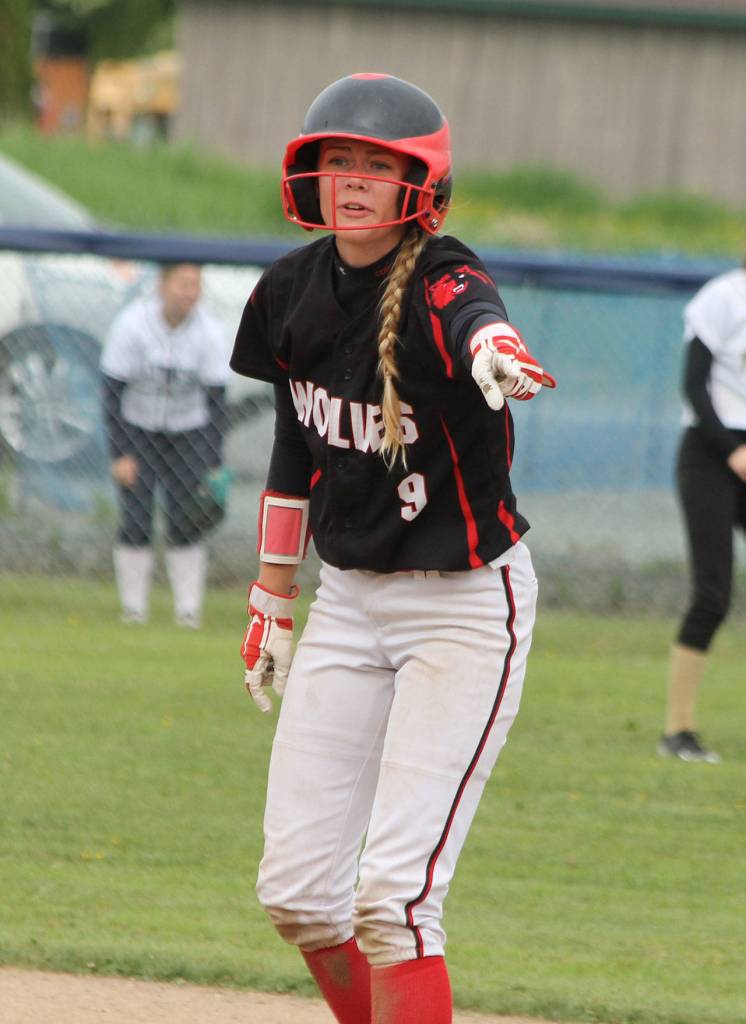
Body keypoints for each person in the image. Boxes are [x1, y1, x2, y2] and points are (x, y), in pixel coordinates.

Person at [230, 74, 556, 1024]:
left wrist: (493, 343)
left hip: (462, 608)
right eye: (341, 161)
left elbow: (472, 310)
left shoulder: (442, 275)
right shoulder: (290, 290)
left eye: (381, 164)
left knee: (397, 904)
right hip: (348, 601)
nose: (357, 180)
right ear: (311, 177)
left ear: (424, 186)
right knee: (297, 892)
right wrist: (272, 595)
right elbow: (294, 447)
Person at [100, 262, 230, 628]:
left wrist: (214, 461)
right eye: (183, 284)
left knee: (186, 521)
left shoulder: (209, 331)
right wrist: (119, 453)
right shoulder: (132, 324)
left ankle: (188, 611)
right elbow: (111, 392)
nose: (190, 293)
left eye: (196, 285)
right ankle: (133, 610)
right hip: (138, 430)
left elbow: (217, 401)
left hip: (188, 432)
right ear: (162, 285)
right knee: (137, 519)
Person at [659, 264, 746, 764]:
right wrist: (733, 452)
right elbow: (694, 386)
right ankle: (678, 731)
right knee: (713, 595)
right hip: (711, 454)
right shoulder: (724, 297)